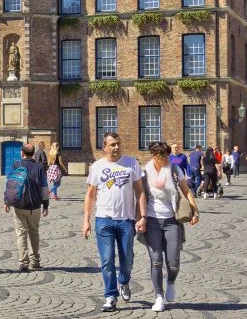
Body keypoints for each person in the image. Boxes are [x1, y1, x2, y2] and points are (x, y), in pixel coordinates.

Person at [83, 132, 146, 313]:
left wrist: (142, 216)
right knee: (107, 260)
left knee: (127, 260)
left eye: (118, 144)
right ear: (104, 147)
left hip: (126, 220)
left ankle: (124, 281)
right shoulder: (97, 166)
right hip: (104, 220)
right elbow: (90, 195)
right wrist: (86, 221)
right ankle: (110, 296)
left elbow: (140, 192)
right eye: (112, 145)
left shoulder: (131, 163)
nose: (116, 147)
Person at [141, 141, 199, 312]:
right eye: (161, 157)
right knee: (156, 260)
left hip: (172, 219)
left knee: (173, 262)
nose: (165, 159)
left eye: (166, 156)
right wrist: (139, 217)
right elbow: (140, 194)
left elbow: (186, 191)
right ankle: (158, 296)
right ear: (154, 157)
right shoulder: (146, 170)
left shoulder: (174, 169)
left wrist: (195, 211)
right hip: (152, 219)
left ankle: (171, 281)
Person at [3, 143, 49, 272]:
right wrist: (45, 204)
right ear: (33, 154)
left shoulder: (16, 165)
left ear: (22, 153)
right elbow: (44, 188)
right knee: (34, 233)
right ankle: (35, 261)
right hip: (35, 206)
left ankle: (23, 262)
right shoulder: (39, 167)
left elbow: (9, 184)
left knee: (21, 233)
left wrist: (7, 201)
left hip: (19, 205)